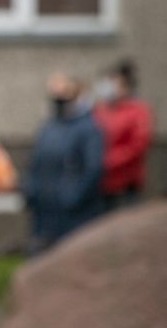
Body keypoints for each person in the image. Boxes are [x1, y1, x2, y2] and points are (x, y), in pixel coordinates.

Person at [24, 73, 104, 254]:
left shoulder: (88, 128)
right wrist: (31, 191)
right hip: (44, 210)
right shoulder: (48, 127)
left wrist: (72, 196)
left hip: (73, 213)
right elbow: (36, 163)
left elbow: (93, 168)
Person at [93, 59, 154, 211]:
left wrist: (108, 161)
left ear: (125, 86)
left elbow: (137, 145)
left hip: (126, 183)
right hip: (102, 182)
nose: (107, 87)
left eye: (112, 82)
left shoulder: (138, 111)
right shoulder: (100, 109)